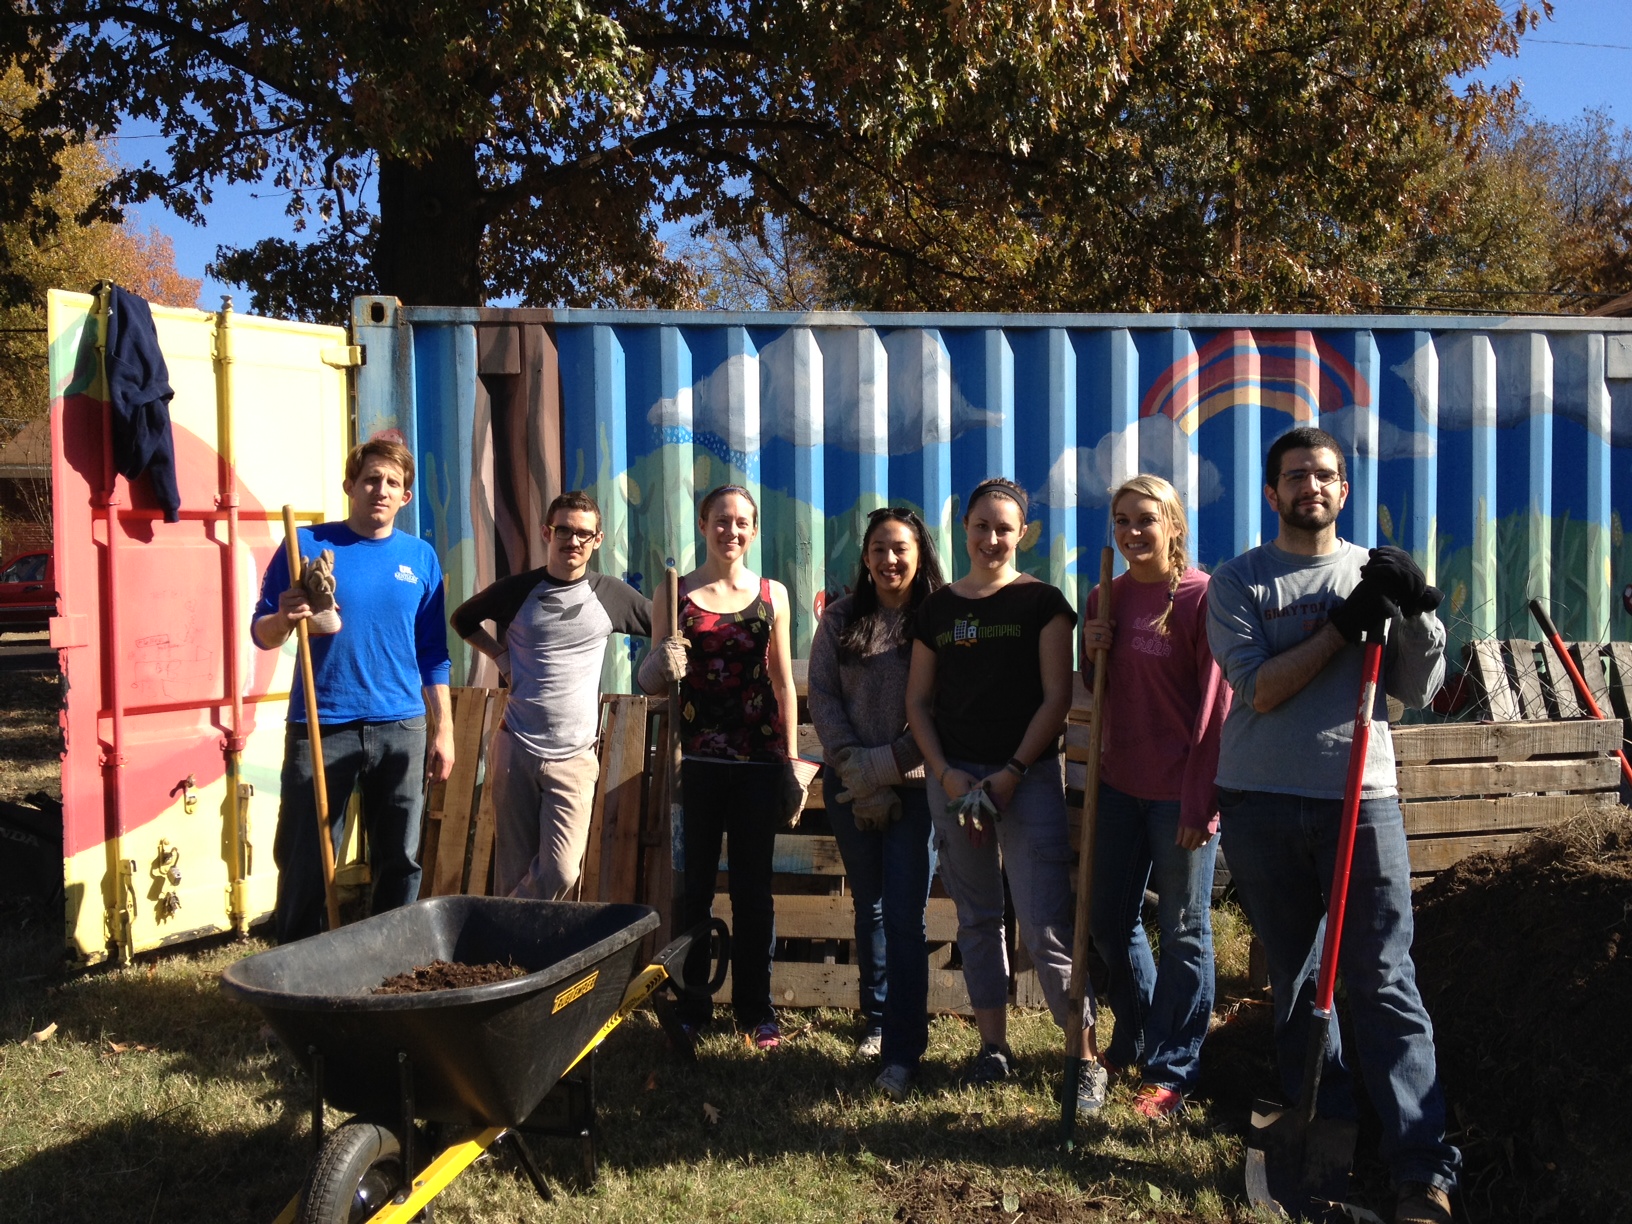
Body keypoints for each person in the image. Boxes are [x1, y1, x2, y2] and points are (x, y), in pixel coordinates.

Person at [1206, 426, 1458, 1224]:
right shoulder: (1239, 581)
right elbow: (1260, 689)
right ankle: (1327, 1132)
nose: (1309, 486)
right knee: (1296, 978)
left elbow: (1417, 689)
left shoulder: (1371, 573)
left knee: (1382, 978)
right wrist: (1343, 629)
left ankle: (1422, 1168)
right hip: (1260, 800)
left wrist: (1416, 610)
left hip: (1362, 799)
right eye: (1294, 475)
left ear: (1343, 490)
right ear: (1272, 491)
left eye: (1324, 475)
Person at [905, 477, 1107, 1113]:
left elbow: (1056, 697)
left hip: (1028, 781)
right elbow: (918, 702)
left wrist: (1015, 770)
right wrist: (945, 774)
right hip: (957, 785)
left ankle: (1084, 1058)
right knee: (977, 917)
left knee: (1045, 922)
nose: (991, 539)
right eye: (981, 527)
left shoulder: (1043, 604)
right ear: (963, 529)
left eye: (1004, 528)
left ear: (1022, 534)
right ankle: (993, 1047)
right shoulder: (937, 610)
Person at [253, 437, 454, 945]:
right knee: (306, 858)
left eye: (392, 482)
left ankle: (389, 962)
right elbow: (262, 633)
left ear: (406, 495)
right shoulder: (305, 546)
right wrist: (286, 616)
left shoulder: (421, 557)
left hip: (401, 726)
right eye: (370, 479)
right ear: (349, 486)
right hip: (322, 724)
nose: (380, 490)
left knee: (400, 859)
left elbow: (433, 652)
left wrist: (444, 730)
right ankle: (298, 970)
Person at [1080, 474, 1229, 1120]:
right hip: (1119, 784)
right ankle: (1138, 1031)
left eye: (1146, 519)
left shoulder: (1201, 597)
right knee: (1108, 919)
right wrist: (1094, 650)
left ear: (1173, 525)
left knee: (1185, 929)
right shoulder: (1104, 597)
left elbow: (1216, 710)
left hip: (1179, 792)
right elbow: (1097, 685)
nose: (1133, 532)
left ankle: (1173, 1067)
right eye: (1122, 521)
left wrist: (1202, 802)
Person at [638, 484, 799, 1051]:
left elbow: (783, 682)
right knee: (695, 891)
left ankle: (757, 1010)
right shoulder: (675, 593)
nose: (732, 530)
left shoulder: (773, 594)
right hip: (697, 766)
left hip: (758, 764)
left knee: (754, 890)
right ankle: (693, 1005)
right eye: (721, 520)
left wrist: (790, 762)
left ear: (754, 531)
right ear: (704, 524)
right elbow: (649, 680)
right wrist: (660, 664)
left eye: (742, 522)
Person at [450, 490, 652, 899]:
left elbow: (666, 623)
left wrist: (663, 663)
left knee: (561, 872)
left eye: (583, 533)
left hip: (574, 757)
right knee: (513, 871)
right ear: (547, 532)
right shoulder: (517, 590)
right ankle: (511, 939)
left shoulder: (610, 595)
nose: (572, 540)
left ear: (597, 540)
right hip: (515, 748)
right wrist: (501, 658)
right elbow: (463, 619)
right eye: (563, 530)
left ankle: (497, 923)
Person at [808, 507, 947, 1100]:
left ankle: (903, 1051)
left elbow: (939, 708)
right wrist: (857, 772)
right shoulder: (841, 618)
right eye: (878, 549)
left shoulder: (937, 620)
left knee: (905, 916)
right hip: (849, 788)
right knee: (869, 907)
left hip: (915, 791)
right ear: (865, 557)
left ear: (920, 555)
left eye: (900, 549)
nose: (889, 560)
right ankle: (878, 1019)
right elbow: (822, 696)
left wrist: (885, 767)